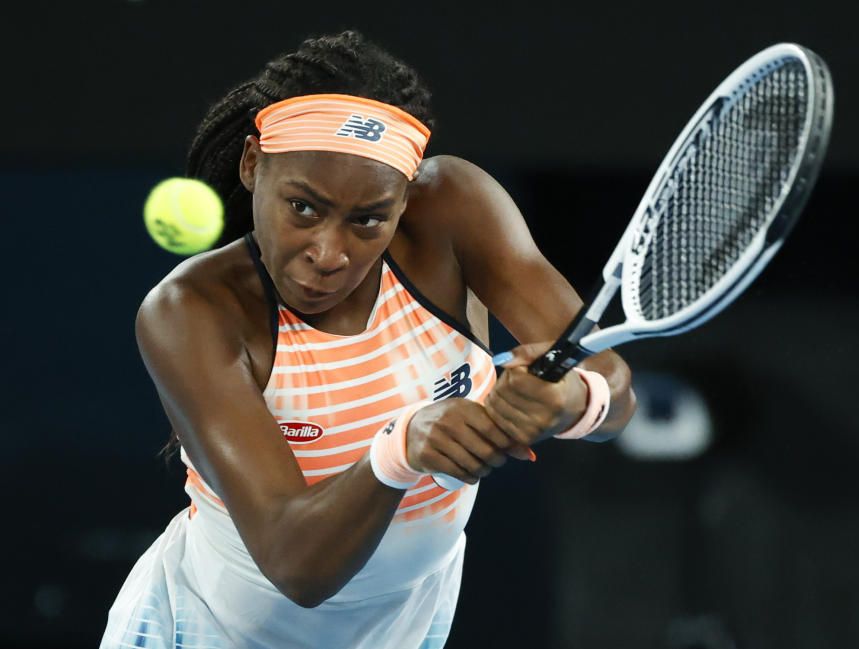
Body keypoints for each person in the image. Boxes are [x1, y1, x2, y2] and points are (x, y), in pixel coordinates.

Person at [100, 29, 636, 649]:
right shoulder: (190, 310)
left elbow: (614, 394)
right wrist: (403, 447)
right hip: (210, 633)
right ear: (253, 165)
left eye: (368, 220)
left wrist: (575, 401)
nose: (328, 253)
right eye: (302, 207)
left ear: (404, 200)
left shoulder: (456, 211)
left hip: (403, 626)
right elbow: (296, 565)